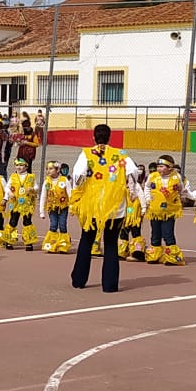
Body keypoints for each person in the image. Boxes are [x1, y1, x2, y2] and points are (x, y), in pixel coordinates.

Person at [68, 125, 138, 293]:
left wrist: (82, 186)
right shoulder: (120, 154)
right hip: (115, 206)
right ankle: (110, 284)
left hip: (93, 205)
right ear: (109, 138)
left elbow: (77, 174)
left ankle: (79, 279)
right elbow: (134, 171)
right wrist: (130, 185)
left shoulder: (87, 153)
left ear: (94, 137)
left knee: (86, 240)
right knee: (111, 244)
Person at [145, 155, 184, 266]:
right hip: (155, 211)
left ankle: (172, 256)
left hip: (169, 212)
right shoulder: (152, 176)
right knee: (155, 233)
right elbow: (147, 187)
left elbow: (181, 188)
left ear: (170, 167)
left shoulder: (176, 177)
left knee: (168, 233)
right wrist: (147, 198)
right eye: (158, 166)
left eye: (162, 166)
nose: (159, 169)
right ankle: (154, 255)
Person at [41, 161, 73, 254]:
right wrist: (41, 211)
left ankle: (63, 245)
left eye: (51, 169)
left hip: (63, 207)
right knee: (53, 225)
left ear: (58, 170)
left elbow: (70, 194)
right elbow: (43, 196)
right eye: (47, 169)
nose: (48, 171)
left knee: (62, 225)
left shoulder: (64, 180)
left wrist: (71, 207)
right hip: (52, 207)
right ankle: (51, 245)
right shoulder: (47, 181)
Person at [8, 157, 39, 251]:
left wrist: (33, 189)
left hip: (27, 204)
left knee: (27, 222)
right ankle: (10, 240)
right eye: (17, 165)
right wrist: (10, 193)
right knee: (13, 222)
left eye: (21, 165)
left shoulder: (31, 177)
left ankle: (29, 242)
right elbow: (7, 187)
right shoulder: (13, 176)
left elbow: (36, 186)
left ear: (26, 166)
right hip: (15, 203)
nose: (19, 167)